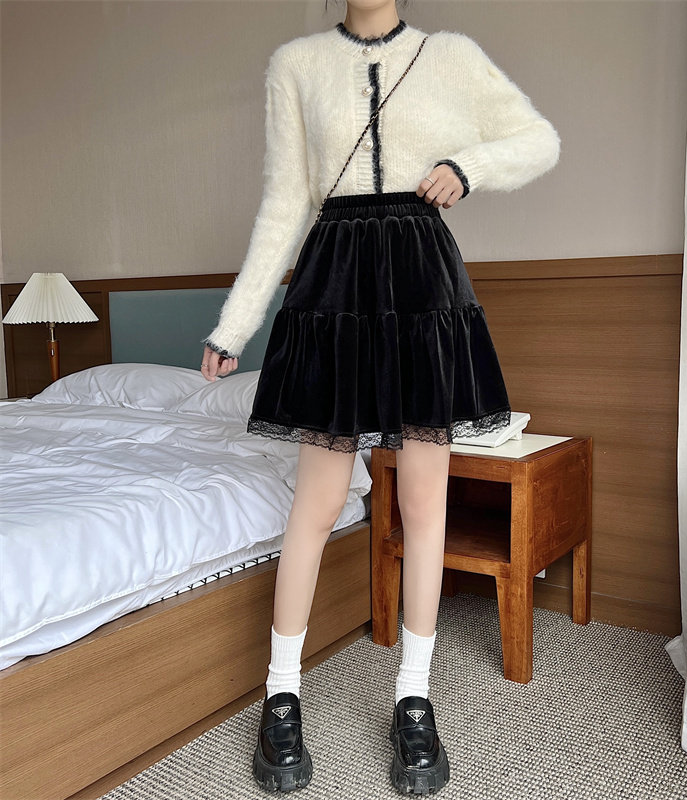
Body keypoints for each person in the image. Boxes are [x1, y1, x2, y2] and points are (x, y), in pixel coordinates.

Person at [199, 0, 559, 794]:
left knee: (424, 504)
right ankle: (282, 694)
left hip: (422, 285)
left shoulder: (451, 54)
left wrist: (468, 167)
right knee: (316, 504)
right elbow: (285, 201)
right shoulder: (296, 65)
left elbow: (539, 138)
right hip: (334, 286)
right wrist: (236, 323)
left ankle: (414, 699)